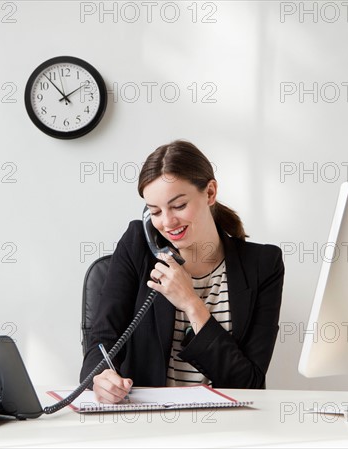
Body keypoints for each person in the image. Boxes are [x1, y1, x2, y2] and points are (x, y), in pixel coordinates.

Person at [80, 140, 284, 404]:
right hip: (147, 422)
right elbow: (103, 340)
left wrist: (190, 302)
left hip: (226, 425)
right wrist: (101, 378)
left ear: (210, 192)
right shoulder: (137, 246)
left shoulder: (263, 264)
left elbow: (249, 383)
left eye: (178, 206)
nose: (167, 222)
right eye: (155, 211)